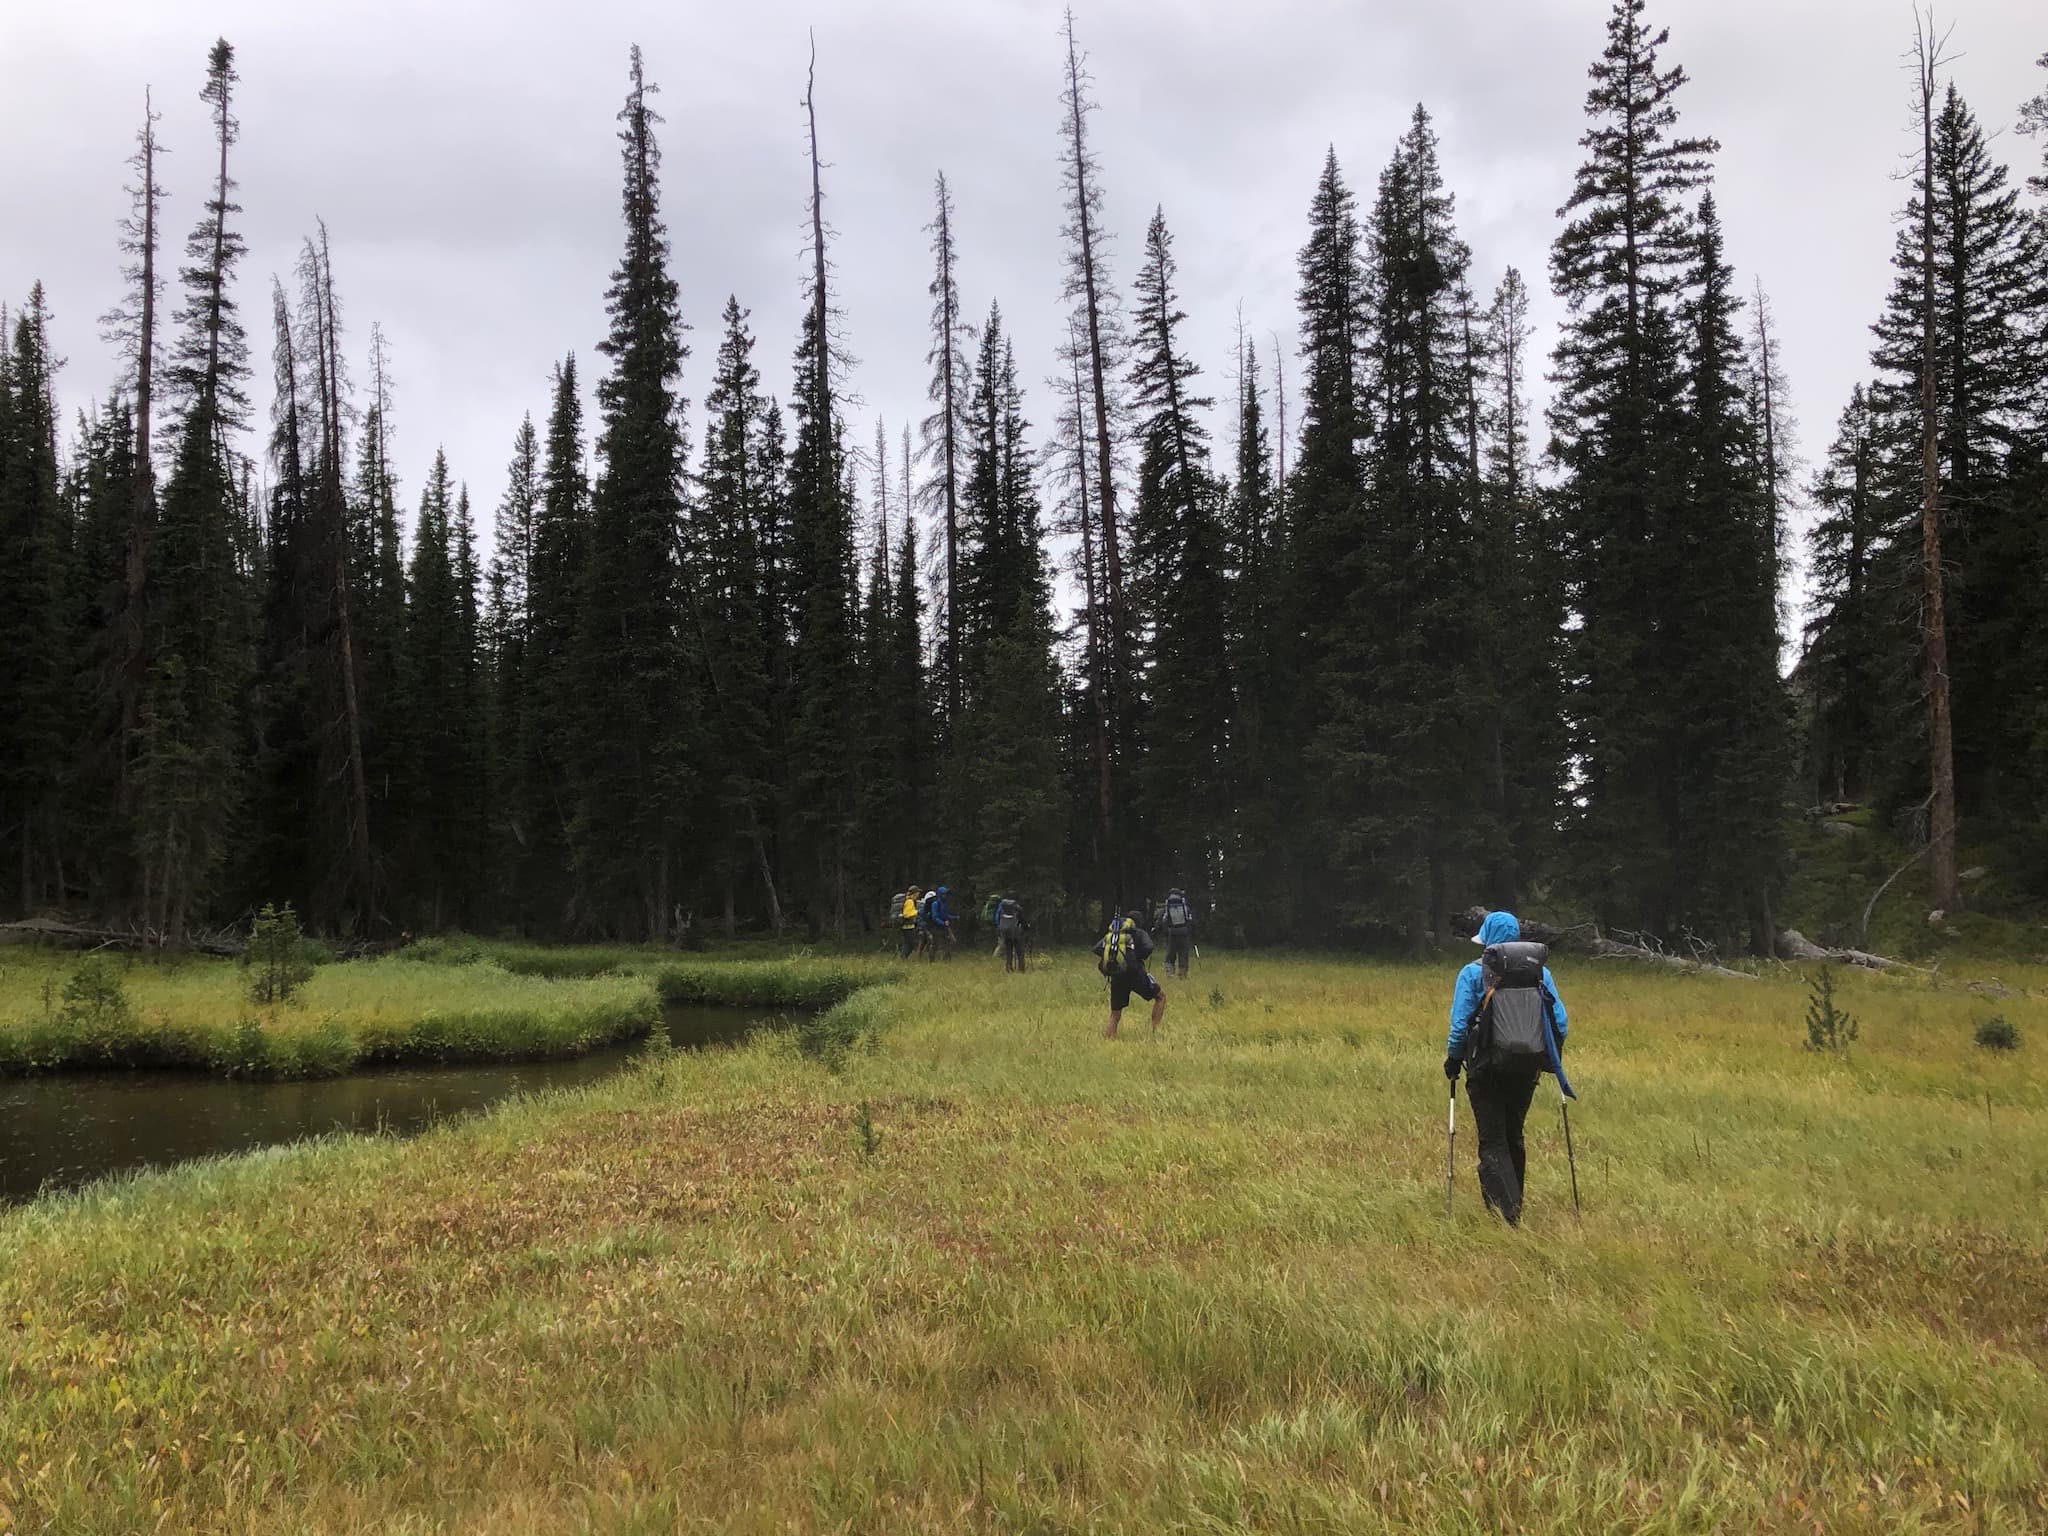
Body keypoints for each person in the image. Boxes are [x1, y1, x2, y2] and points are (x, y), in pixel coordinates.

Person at [1444, 910, 1571, 1226]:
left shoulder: (1473, 973)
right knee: (1514, 1134)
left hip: (1485, 1069)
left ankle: (1505, 1215)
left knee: (1493, 1139)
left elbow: (1460, 1026)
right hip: (1527, 1069)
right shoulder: (1541, 973)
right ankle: (1514, 1207)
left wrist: (1453, 1059)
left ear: (1487, 940)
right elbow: (1561, 1023)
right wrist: (1550, 1059)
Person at [1094, 911, 1165, 1038]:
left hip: (1117, 974)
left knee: (1115, 1014)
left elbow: (1097, 948)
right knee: (1160, 997)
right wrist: (1135, 957)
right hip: (1135, 974)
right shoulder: (1138, 932)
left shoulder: (1114, 935)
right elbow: (1149, 947)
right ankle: (1155, 1031)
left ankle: (1109, 1040)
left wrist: (1113, 959)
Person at [1154, 887, 1195, 979]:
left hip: (1172, 933)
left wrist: (1162, 930)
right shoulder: (1184, 907)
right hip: (1184, 933)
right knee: (1183, 954)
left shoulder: (1168, 906)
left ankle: (1170, 974)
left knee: (1170, 955)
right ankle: (1182, 975)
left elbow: (1164, 920)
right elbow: (1190, 920)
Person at [994, 895, 1027, 972]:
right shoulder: (1017, 907)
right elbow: (1023, 920)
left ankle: (1008, 968)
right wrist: (1026, 928)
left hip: (1005, 932)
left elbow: (998, 920)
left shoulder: (1002, 907)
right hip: (1016, 932)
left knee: (1009, 951)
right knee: (1020, 951)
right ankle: (1021, 969)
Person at [924, 885, 957, 960]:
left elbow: (945, 914)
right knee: (935, 944)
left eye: (946, 894)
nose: (945, 895)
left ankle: (946, 959)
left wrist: (953, 917)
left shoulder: (944, 903)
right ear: (940, 894)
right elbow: (935, 917)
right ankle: (932, 960)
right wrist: (943, 923)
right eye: (944, 894)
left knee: (951, 941)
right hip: (936, 927)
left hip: (944, 926)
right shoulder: (935, 904)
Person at [897, 887, 922, 960]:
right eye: (917, 892)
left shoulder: (910, 901)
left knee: (908, 943)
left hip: (908, 926)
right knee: (909, 944)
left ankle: (903, 958)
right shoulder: (909, 901)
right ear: (914, 893)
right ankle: (903, 958)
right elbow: (906, 914)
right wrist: (917, 912)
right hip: (908, 926)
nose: (918, 894)